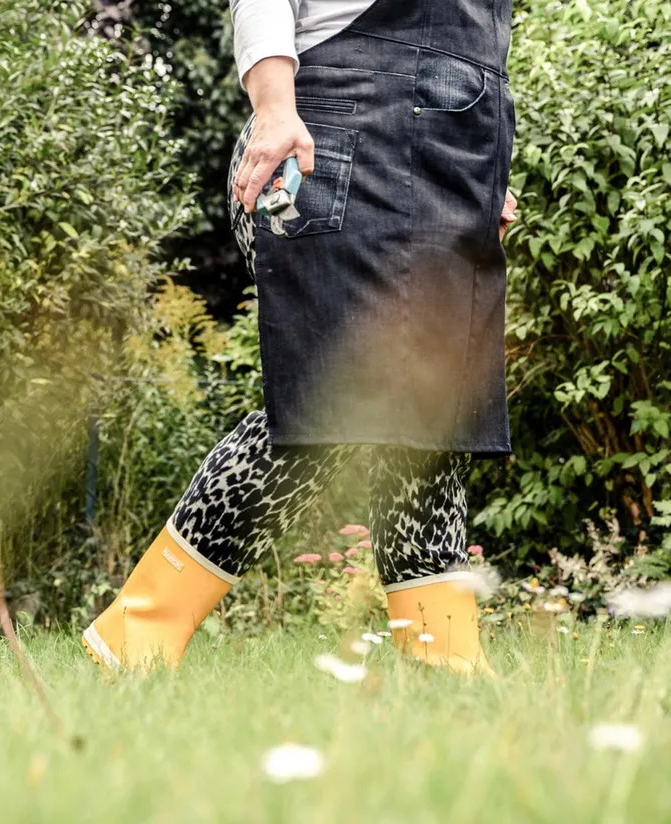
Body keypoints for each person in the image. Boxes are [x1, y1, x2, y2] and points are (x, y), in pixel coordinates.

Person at [82, 0, 517, 674]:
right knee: (329, 403)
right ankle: (138, 634)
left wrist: (483, 175)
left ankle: (444, 659)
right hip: (320, 141)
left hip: (444, 172)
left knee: (436, 412)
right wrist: (275, 109)